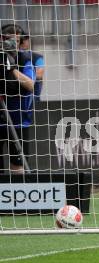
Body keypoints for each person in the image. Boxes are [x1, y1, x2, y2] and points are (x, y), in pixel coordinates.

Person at [0, 24, 35, 173]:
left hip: (19, 119)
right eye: (7, 39)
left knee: (18, 164)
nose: (11, 43)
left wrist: (11, 68)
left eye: (15, 39)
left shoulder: (25, 58)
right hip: (1, 118)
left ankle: (19, 193)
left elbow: (30, 85)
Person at [19, 34, 44, 101]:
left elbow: (39, 75)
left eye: (26, 40)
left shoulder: (37, 57)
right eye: (22, 40)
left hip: (32, 94)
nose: (24, 42)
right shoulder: (13, 56)